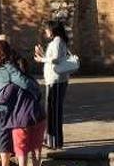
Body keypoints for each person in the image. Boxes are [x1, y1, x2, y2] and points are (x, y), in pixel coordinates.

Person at [33, 20, 70, 150]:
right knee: (52, 111)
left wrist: (41, 59)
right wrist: (42, 54)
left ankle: (55, 142)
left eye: (47, 29)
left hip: (56, 81)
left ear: (53, 30)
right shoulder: (57, 42)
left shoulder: (58, 41)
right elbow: (53, 59)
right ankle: (52, 140)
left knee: (53, 111)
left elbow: (56, 60)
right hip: (54, 80)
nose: (46, 32)